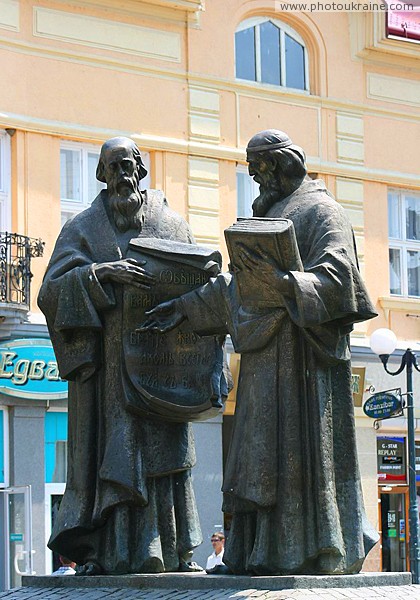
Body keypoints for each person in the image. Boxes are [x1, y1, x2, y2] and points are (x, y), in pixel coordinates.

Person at [140, 129, 380, 576]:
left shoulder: (321, 211)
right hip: (262, 360)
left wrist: (285, 283)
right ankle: (253, 553)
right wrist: (185, 308)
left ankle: (303, 551)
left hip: (303, 366)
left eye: (259, 169)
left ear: (282, 164)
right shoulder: (271, 213)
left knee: (291, 453)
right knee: (254, 455)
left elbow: (341, 281)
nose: (255, 179)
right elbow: (238, 288)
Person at [38, 137, 202, 575]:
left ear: (141, 169)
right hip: (109, 374)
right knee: (114, 453)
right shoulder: (82, 229)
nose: (122, 174)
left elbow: (197, 287)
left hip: (163, 365)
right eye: (112, 167)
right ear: (101, 175)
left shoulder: (171, 223)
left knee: (161, 455)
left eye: (128, 165)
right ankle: (106, 552)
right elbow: (49, 292)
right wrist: (101, 274)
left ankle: (169, 548)